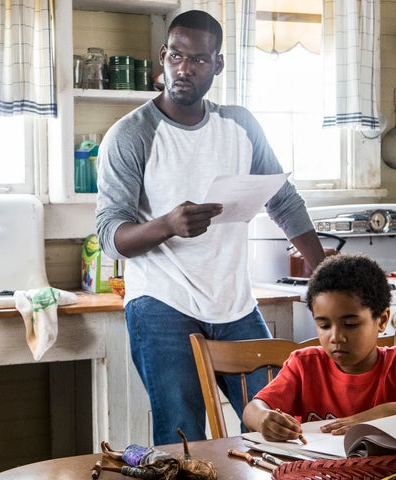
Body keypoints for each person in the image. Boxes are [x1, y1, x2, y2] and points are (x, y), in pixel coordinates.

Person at [94, 9, 325, 445]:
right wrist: (167, 224)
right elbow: (111, 236)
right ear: (163, 56)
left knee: (277, 422)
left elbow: (284, 199)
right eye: (177, 56)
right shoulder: (131, 135)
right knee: (183, 434)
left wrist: (324, 272)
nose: (185, 68)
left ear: (217, 65)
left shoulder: (240, 126)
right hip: (161, 303)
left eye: (199, 60)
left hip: (234, 303)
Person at [242, 254, 396, 442]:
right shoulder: (304, 365)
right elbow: (252, 410)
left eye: (351, 324)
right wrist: (264, 418)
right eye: (323, 325)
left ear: (382, 320)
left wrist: (383, 414)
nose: (336, 337)